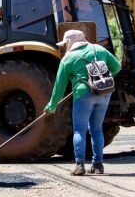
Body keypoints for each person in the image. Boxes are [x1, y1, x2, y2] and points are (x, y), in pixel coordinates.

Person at [44, 30, 121, 176]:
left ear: (69, 42)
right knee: (97, 129)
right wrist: (102, 78)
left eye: (65, 43)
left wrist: (51, 106)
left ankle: (79, 165)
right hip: (104, 92)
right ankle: (98, 165)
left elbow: (59, 88)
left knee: (79, 130)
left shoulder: (68, 59)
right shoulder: (99, 49)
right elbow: (116, 67)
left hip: (83, 94)